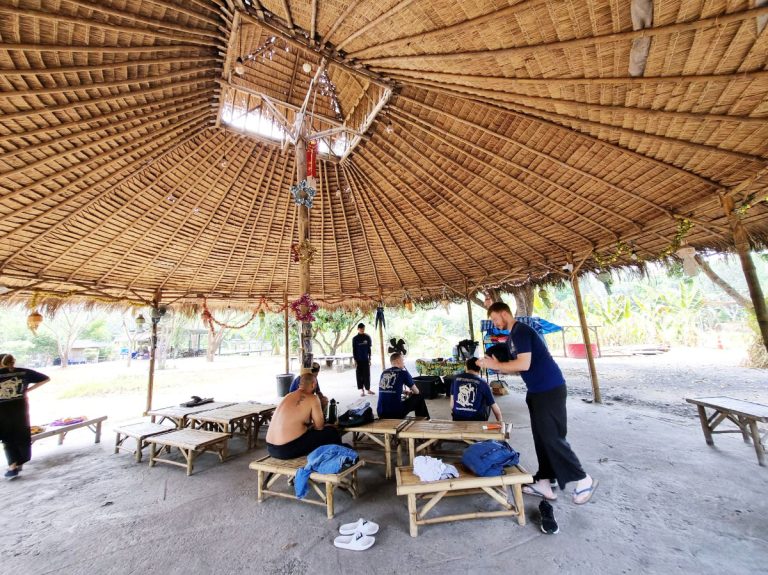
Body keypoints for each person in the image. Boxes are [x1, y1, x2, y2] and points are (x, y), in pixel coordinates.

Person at [477, 302, 598, 505]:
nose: (495, 323)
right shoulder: (512, 337)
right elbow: (519, 368)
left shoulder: (521, 331)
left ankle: (583, 478)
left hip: (550, 390)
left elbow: (524, 363)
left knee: (552, 437)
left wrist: (495, 365)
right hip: (537, 391)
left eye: (496, 318)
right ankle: (544, 481)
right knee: (541, 438)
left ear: (505, 313)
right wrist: (497, 367)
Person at [266, 373, 342, 460]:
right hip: (285, 449)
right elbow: (319, 427)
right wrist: (323, 406)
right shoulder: (313, 398)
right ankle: (336, 459)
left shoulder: (288, 396)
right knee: (331, 432)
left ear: (299, 385)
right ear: (314, 385)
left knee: (312, 433)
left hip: (270, 448)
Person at [0, 354, 50, 480]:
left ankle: (13, 466)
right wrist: (28, 390)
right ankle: (20, 461)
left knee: (7, 439)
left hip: (3, 413)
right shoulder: (24, 372)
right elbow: (46, 378)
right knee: (22, 437)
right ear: (13, 361)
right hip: (21, 411)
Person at [377, 353, 430, 419]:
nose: (403, 363)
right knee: (419, 397)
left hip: (381, 413)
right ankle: (424, 420)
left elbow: (388, 388)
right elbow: (416, 392)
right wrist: (411, 393)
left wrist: (402, 391)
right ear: (398, 361)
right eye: (402, 360)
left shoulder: (384, 372)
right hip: (395, 413)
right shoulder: (403, 373)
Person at [451, 357, 502, 422]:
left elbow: (452, 404)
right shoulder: (483, 383)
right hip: (477, 420)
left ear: (466, 367)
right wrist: (500, 422)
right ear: (479, 368)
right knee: (488, 400)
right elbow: (494, 407)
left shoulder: (455, 379)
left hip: (457, 418)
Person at [352, 323, 374, 397]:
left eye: (363, 329)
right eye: (361, 329)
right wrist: (355, 360)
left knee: (367, 375)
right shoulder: (355, 339)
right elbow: (354, 350)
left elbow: (369, 349)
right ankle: (362, 390)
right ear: (358, 329)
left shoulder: (367, 337)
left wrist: (370, 359)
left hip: (365, 360)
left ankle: (368, 389)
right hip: (358, 360)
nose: (362, 330)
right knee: (359, 375)